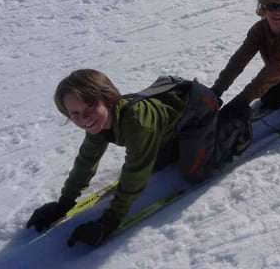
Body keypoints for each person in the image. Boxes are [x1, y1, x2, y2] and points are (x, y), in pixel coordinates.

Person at [25, 69, 249, 247]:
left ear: (108, 99)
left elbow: (135, 173)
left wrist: (111, 220)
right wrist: (64, 203)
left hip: (199, 107)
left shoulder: (137, 123)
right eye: (74, 113)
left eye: (90, 107)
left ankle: (235, 118)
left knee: (195, 174)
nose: (83, 119)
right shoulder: (97, 124)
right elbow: (86, 161)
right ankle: (183, 140)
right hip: (172, 119)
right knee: (159, 163)